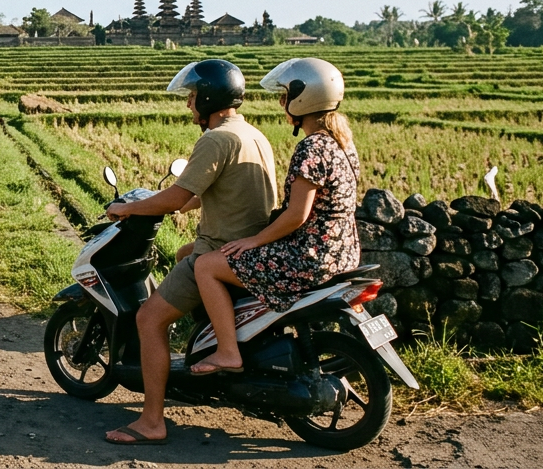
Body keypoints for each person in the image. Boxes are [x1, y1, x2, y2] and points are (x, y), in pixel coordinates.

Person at [101, 59, 276, 446]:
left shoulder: (214, 139)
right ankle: (204, 341)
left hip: (221, 249)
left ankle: (150, 422)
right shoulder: (251, 134)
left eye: (193, 96)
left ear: (210, 97)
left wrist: (127, 208)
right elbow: (212, 192)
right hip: (249, 242)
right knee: (182, 254)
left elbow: (179, 196)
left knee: (148, 318)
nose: (188, 104)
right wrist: (178, 200)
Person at [191, 58, 360, 376]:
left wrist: (253, 240)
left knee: (206, 265)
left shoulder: (311, 148)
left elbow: (297, 215)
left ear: (303, 99)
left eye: (285, 95)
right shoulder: (342, 144)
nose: (282, 102)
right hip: (344, 253)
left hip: (310, 257)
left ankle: (228, 351)